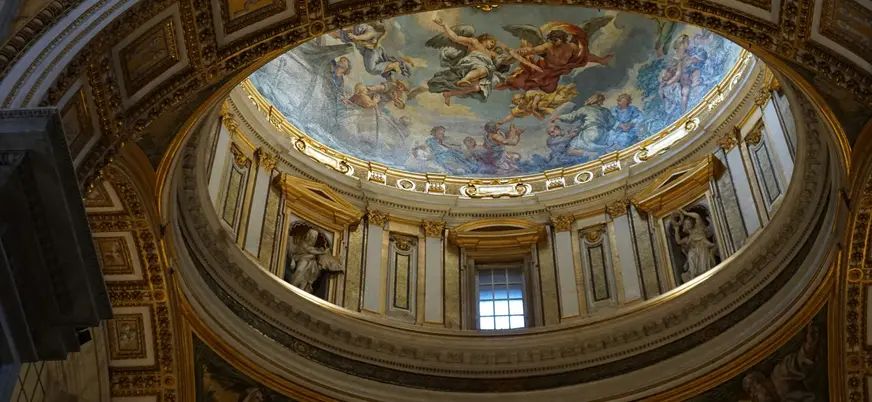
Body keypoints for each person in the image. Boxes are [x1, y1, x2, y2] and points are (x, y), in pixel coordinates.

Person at [414, 18, 513, 106]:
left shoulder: (491, 53)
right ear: (485, 38)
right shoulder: (474, 42)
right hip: (471, 63)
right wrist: (444, 25)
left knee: (476, 87)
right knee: (483, 70)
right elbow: (455, 38)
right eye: (492, 42)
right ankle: (465, 79)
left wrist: (517, 55)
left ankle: (449, 94)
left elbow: (506, 61)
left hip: (481, 70)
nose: (492, 45)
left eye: (494, 44)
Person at [740, 326, 820, 402]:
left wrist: (810, 345)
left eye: (752, 391)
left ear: (760, 380)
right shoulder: (772, 398)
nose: (754, 398)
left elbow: (799, 362)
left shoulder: (780, 374)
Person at [334, 23, 412, 79]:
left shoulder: (360, 29)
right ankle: (394, 66)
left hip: (372, 51)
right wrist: (356, 37)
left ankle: (394, 66)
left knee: (372, 69)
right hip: (373, 51)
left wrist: (357, 37)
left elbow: (369, 34)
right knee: (372, 69)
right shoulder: (358, 30)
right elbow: (369, 34)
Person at [552, 93, 616, 158]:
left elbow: (571, 117)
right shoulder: (606, 110)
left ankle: (593, 154)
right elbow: (612, 123)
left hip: (590, 132)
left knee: (570, 150)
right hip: (603, 133)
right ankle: (598, 154)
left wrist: (558, 117)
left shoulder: (585, 108)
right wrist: (603, 127)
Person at [287, 229, 343, 293]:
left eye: (315, 238)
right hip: (302, 260)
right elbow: (311, 251)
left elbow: (314, 252)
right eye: (313, 237)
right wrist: (322, 253)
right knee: (300, 269)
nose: (314, 239)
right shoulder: (304, 243)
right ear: (309, 236)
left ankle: (302, 288)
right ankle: (294, 284)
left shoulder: (314, 249)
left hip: (308, 263)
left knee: (310, 269)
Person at [671, 208, 717, 282]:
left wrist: (686, 213)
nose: (688, 225)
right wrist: (676, 230)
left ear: (692, 223)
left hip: (702, 249)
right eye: (686, 224)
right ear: (684, 226)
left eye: (689, 223)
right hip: (693, 251)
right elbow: (678, 242)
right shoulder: (687, 238)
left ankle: (705, 274)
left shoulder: (698, 228)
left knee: (704, 265)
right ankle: (693, 276)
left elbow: (697, 216)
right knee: (691, 255)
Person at [499, 83, 578, 124]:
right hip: (546, 107)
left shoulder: (528, 94)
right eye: (517, 103)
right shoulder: (520, 108)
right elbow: (512, 116)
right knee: (559, 105)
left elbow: (538, 95)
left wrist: (534, 104)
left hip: (548, 97)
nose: (519, 103)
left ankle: (573, 87)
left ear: (522, 97)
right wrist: (502, 122)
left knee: (560, 97)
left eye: (519, 101)